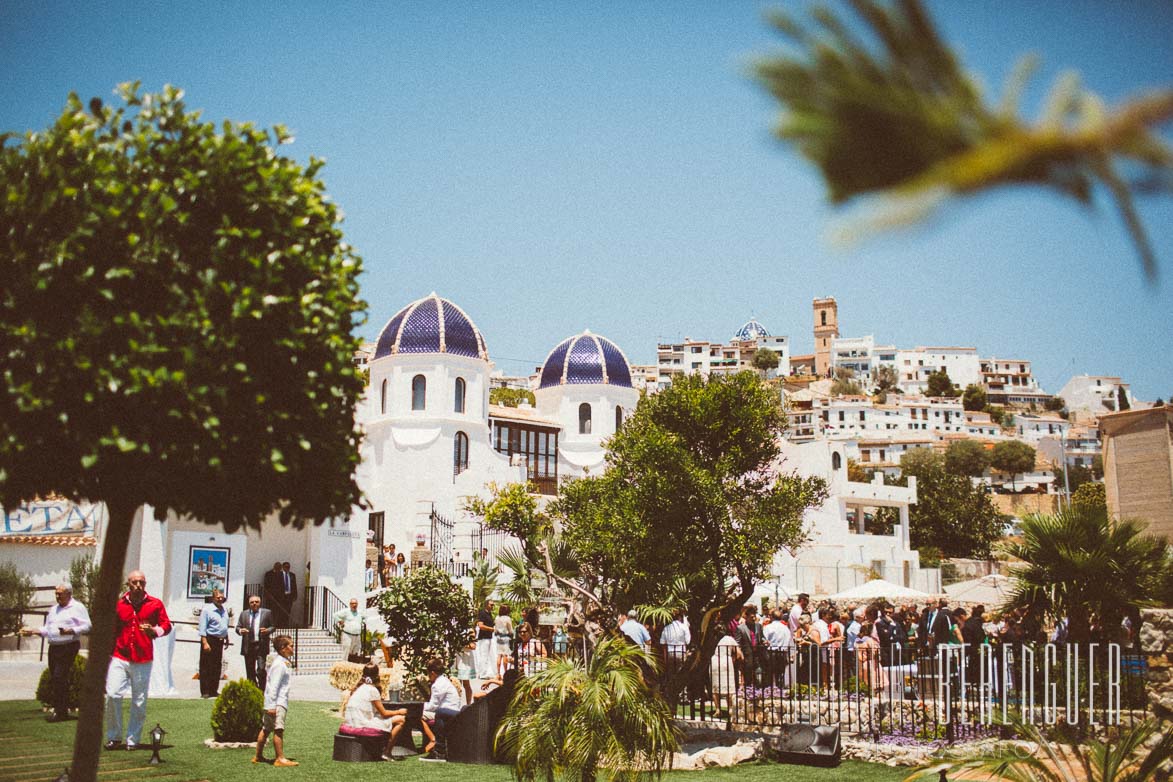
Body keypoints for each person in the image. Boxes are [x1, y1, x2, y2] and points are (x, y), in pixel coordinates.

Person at [105, 570, 171, 751]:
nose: (138, 586)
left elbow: (167, 625)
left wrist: (154, 631)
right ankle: (114, 736)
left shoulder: (155, 604)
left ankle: (133, 739)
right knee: (112, 694)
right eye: (135, 582)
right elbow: (112, 629)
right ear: (128, 584)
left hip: (142, 658)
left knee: (139, 701)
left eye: (141, 582)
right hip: (120, 656)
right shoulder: (119, 605)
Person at [22, 583, 91, 721]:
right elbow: (48, 629)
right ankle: (62, 710)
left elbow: (87, 625)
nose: (57, 596)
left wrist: (71, 630)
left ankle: (59, 712)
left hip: (69, 645)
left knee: (59, 676)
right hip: (54, 647)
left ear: (69, 593)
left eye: (60, 593)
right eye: (56, 593)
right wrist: (34, 631)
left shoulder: (77, 607)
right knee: (57, 678)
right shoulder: (54, 610)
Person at [340, 663, 408, 760]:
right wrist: (399, 711)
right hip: (362, 724)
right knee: (401, 720)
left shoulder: (358, 688)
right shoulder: (372, 690)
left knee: (384, 720)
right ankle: (387, 752)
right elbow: (384, 713)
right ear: (377, 675)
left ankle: (382, 748)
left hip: (352, 723)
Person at [255, 634, 298, 766]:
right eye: (291, 646)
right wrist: (272, 706)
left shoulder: (282, 662)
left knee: (266, 728)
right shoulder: (280, 665)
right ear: (282, 648)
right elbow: (273, 687)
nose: (293, 648)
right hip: (278, 702)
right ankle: (280, 758)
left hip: (274, 702)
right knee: (278, 729)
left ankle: (258, 756)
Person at [420, 657, 463, 761]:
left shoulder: (437, 685)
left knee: (419, 715)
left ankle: (434, 741)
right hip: (452, 711)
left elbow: (433, 706)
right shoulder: (444, 681)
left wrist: (420, 706)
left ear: (433, 673)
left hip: (446, 713)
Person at [237, 594, 276, 690]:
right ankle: (252, 690)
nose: (254, 604)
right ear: (249, 604)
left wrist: (267, 631)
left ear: (260, 602)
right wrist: (240, 630)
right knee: (250, 671)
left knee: (261, 669)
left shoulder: (267, 613)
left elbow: (273, 626)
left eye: (256, 602)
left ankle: (262, 690)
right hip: (248, 645)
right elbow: (238, 626)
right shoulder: (244, 614)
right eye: (252, 602)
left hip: (261, 645)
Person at [198, 588, 231, 698]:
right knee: (206, 666)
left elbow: (224, 625)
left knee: (217, 666)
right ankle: (205, 691)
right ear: (213, 598)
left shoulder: (224, 610)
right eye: (218, 597)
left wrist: (226, 637)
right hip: (209, 639)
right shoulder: (207, 610)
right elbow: (202, 628)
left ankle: (213, 690)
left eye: (222, 597)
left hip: (220, 641)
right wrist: (205, 643)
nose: (220, 599)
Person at [735, 605, 763, 690]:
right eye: (751, 617)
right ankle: (748, 691)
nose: (753, 619)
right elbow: (738, 643)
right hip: (747, 655)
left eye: (754, 617)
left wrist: (765, 641)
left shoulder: (758, 626)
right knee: (747, 675)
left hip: (757, 655)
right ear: (746, 617)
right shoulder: (740, 628)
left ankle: (758, 690)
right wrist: (740, 654)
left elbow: (762, 638)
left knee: (759, 673)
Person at [762, 608, 792, 690]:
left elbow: (764, 639)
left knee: (771, 672)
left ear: (771, 617)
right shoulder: (786, 628)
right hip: (782, 652)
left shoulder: (768, 627)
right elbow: (788, 639)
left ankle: (771, 688)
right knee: (780, 672)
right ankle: (779, 688)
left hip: (771, 652)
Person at [660, 609, 690, 674]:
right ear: (680, 617)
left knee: (671, 673)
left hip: (670, 652)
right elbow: (688, 641)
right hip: (681, 652)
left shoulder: (666, 628)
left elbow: (663, 643)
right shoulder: (684, 627)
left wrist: (665, 656)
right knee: (680, 673)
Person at [474, 599, 496, 679]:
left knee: (488, 656)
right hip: (483, 638)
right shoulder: (482, 613)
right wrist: (492, 629)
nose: (492, 606)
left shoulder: (489, 614)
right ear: (486, 605)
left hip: (489, 638)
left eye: (493, 605)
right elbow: (481, 625)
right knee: (483, 656)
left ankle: (485, 672)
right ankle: (482, 674)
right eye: (491, 605)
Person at [455, 632, 477, 702]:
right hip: (456, 658)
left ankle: (468, 705)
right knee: (456, 684)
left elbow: (473, 646)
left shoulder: (470, 631)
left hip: (465, 660)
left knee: (466, 684)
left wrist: (461, 644)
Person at [263, 562, 286, 627]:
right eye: (278, 567)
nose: (279, 569)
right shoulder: (268, 574)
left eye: (280, 567)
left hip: (279, 597)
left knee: (278, 612)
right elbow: (266, 585)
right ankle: (269, 624)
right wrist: (268, 595)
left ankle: (276, 624)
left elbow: (283, 586)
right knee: (269, 611)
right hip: (270, 597)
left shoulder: (282, 575)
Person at [494, 604, 514, 677]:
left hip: (499, 638)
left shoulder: (497, 618)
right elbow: (510, 630)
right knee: (505, 655)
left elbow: (495, 630)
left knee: (499, 655)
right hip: (505, 637)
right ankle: (505, 672)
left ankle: (498, 673)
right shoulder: (507, 618)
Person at [280, 562, 298, 628]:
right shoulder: (279, 574)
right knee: (281, 611)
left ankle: (286, 625)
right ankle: (281, 625)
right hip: (282, 596)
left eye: (288, 567)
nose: (287, 568)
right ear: (283, 567)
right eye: (286, 567)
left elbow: (294, 585)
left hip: (289, 596)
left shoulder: (292, 575)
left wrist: (295, 595)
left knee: (288, 611)